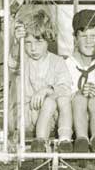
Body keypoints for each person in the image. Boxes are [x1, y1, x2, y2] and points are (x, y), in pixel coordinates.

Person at [8, 9, 73, 153]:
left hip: (51, 118)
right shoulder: (22, 59)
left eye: (38, 42)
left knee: (57, 100)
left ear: (48, 39)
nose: (33, 48)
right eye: (28, 43)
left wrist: (47, 90)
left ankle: (63, 141)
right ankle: (41, 142)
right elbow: (12, 64)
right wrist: (17, 43)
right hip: (24, 116)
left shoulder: (57, 61)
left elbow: (66, 87)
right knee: (51, 101)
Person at [63, 9, 95, 167]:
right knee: (78, 98)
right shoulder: (66, 64)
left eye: (94, 36)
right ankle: (81, 142)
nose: (89, 41)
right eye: (83, 36)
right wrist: (78, 93)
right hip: (75, 118)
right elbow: (62, 90)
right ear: (75, 38)